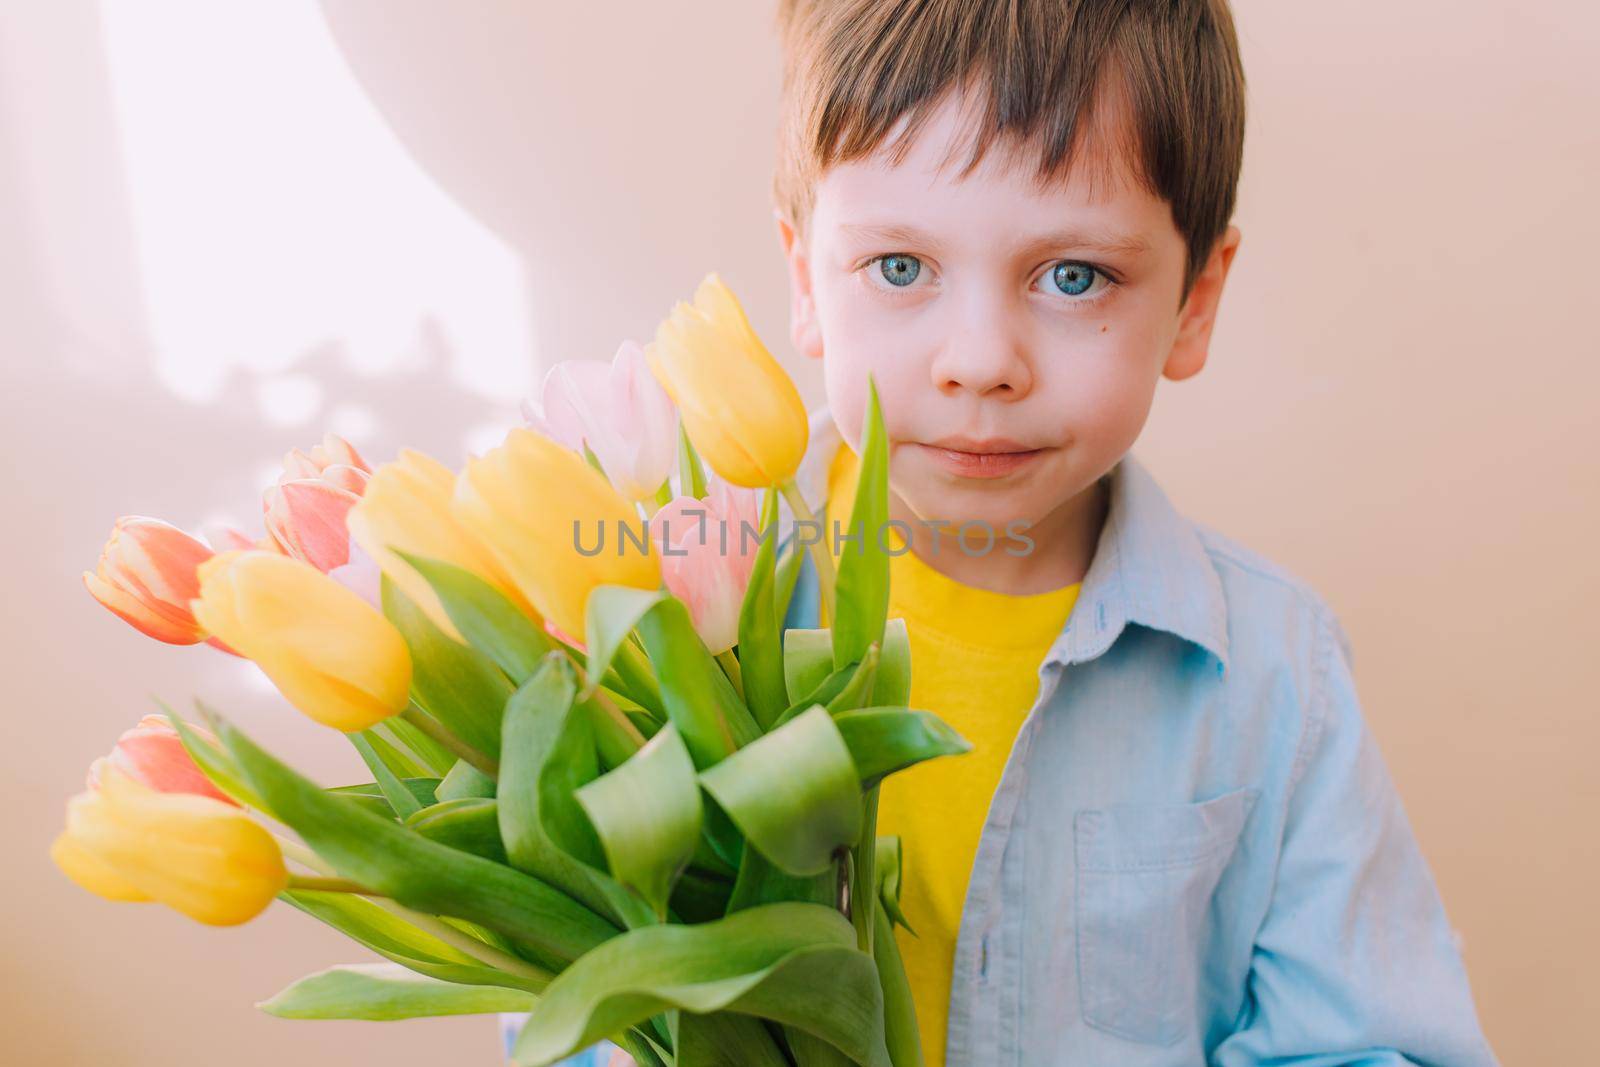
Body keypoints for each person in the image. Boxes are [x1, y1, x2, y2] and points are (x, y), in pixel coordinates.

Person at [765, 1, 1499, 1064]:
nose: (980, 360)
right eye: (898, 266)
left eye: (1073, 276)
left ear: (1194, 303)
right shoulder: (680, 597)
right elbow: (580, 997)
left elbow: (1376, 1041)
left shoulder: (1274, 672)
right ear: (805, 281)